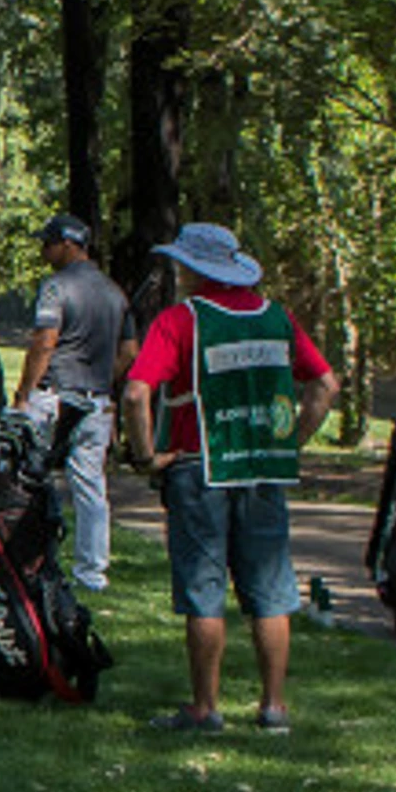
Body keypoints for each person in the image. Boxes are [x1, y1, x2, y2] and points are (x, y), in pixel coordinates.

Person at [119, 222, 340, 732]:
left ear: (191, 269)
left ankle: (205, 707)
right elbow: (325, 384)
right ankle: (274, 706)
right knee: (269, 589)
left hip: (200, 467)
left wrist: (147, 455)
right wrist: (292, 442)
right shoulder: (276, 318)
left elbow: (135, 392)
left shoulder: (182, 320)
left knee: (205, 590)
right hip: (262, 467)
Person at [12, 214, 129, 592]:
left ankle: (28, 557)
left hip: (54, 396)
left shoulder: (56, 287)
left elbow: (45, 342)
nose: (44, 251)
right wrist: (103, 378)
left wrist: (24, 393)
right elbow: (130, 351)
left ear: (67, 244)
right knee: (90, 486)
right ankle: (92, 571)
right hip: (97, 401)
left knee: (29, 477)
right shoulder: (114, 292)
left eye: (48, 244)